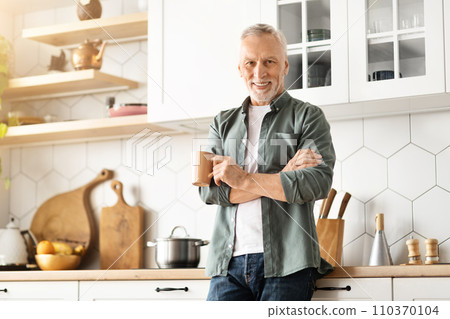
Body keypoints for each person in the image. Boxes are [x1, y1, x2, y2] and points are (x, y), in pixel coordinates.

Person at [198, 23, 336, 301]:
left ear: (285, 66)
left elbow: (316, 183)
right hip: (227, 267)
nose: (259, 73)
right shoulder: (221, 123)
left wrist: (242, 180)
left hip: (289, 264)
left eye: (269, 62)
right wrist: (285, 175)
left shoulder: (308, 117)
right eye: (250, 62)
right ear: (239, 69)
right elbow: (209, 190)